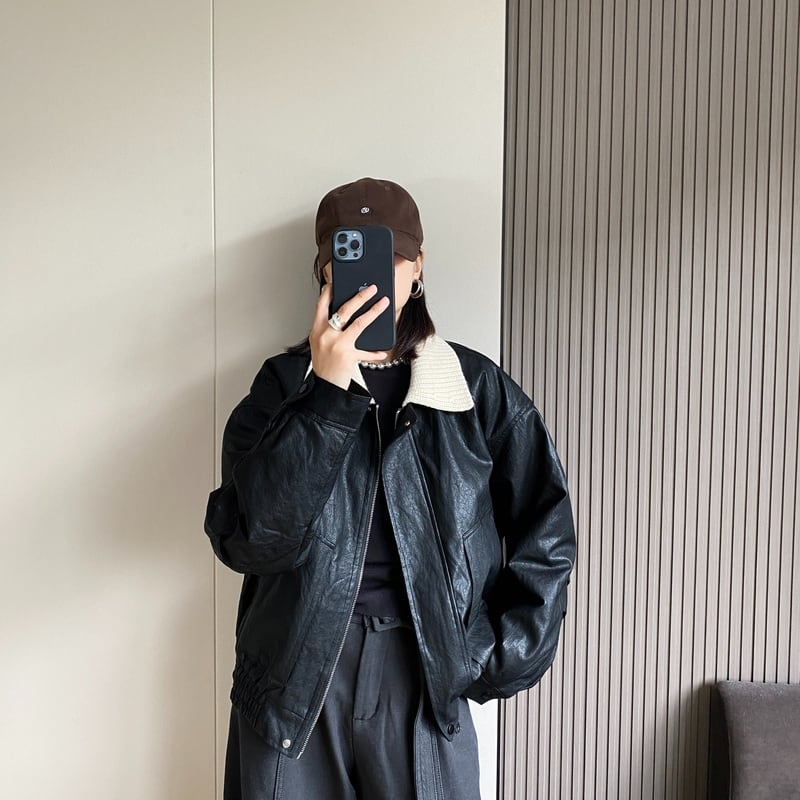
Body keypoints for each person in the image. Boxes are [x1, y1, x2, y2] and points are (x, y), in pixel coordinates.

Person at [204, 177, 576, 799]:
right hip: (295, 680)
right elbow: (249, 540)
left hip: (425, 674)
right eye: (348, 259)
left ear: (418, 267)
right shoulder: (283, 387)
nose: (373, 279)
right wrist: (325, 395)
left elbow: (549, 526)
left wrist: (491, 654)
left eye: (392, 258)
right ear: (325, 271)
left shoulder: (474, 390)